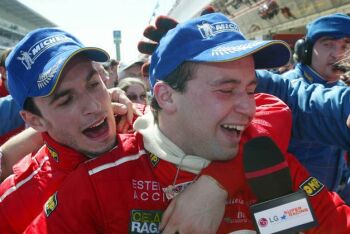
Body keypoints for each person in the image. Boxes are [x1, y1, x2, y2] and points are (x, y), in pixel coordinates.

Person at [26, 13, 350, 233]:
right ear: (166, 97)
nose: (250, 108)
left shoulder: (271, 166)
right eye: (226, 90)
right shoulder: (97, 184)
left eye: (251, 89)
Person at [0, 27, 137, 233]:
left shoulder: (155, 129)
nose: (93, 106)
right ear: (35, 121)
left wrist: (205, 185)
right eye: (66, 100)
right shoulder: (12, 206)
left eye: (93, 84)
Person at [257, 13, 350, 203]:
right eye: (328, 44)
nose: (338, 54)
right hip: (291, 203)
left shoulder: (341, 90)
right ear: (306, 49)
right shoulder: (283, 89)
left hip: (330, 202)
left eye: (345, 46)